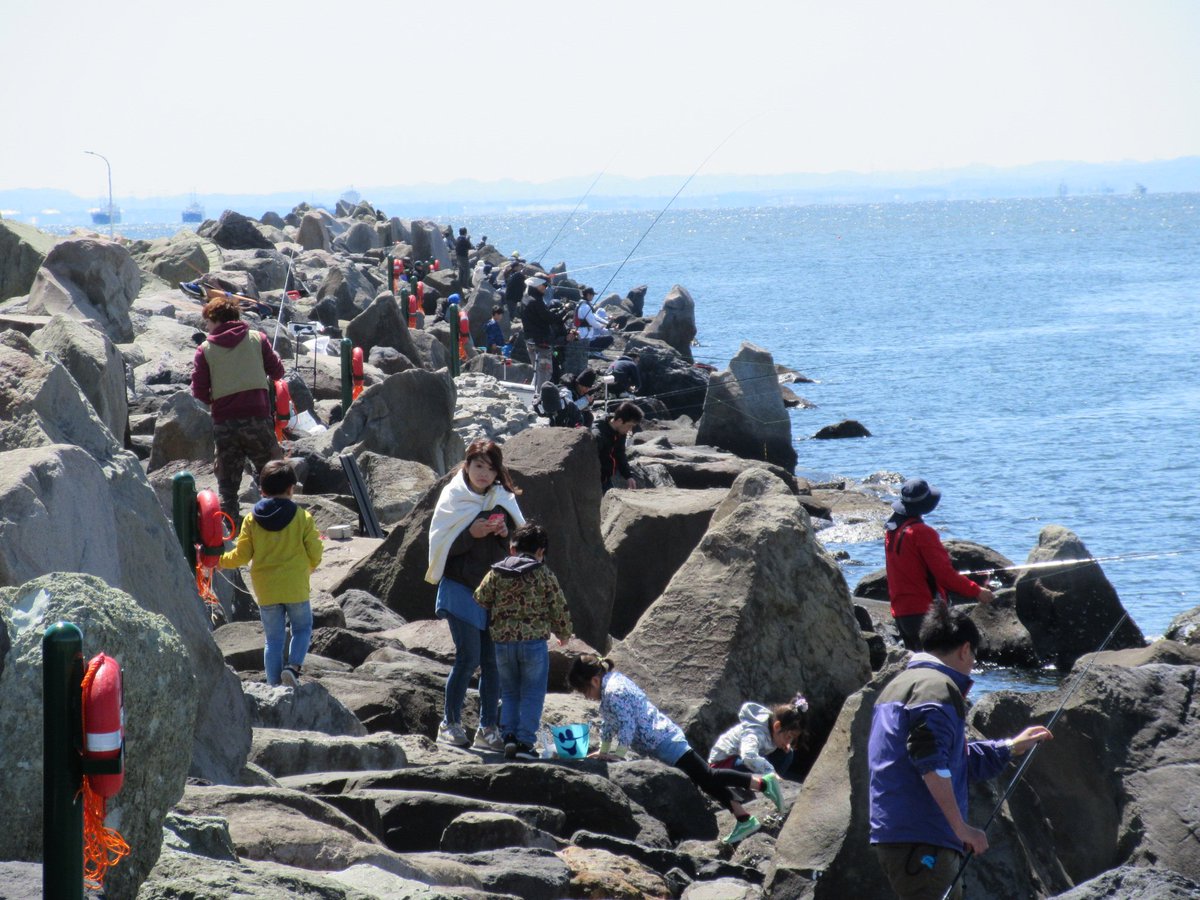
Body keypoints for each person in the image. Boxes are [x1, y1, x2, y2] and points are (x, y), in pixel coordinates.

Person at [868, 604, 1052, 900]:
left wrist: (1009, 747)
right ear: (965, 649)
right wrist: (961, 828)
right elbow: (929, 763)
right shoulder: (937, 689)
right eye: (974, 655)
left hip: (901, 836)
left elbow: (954, 760)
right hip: (923, 840)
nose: (972, 663)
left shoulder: (899, 685)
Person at [568, 655, 785, 844]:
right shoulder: (611, 685)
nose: (586, 696)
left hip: (665, 740)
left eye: (585, 691)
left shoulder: (613, 692)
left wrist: (617, 755)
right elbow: (609, 722)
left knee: (709, 775)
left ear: (595, 680)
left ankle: (763, 783)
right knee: (706, 780)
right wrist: (604, 750)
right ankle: (744, 818)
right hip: (661, 740)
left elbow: (626, 725)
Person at [426, 439, 526, 751]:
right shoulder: (454, 497)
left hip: (491, 592)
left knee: (493, 663)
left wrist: (503, 533)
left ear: (498, 472)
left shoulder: (502, 498)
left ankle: (488, 728)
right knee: (468, 657)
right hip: (458, 588)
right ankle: (450, 723)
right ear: (466, 465)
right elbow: (441, 549)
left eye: (490, 467)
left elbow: (514, 550)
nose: (483, 473)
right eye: (478, 465)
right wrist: (471, 533)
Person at [218, 460, 322, 688]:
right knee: (302, 628)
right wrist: (311, 566)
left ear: (262, 490)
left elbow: (242, 556)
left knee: (273, 640)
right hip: (295, 585)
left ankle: (273, 685)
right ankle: (293, 668)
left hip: (266, 589)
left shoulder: (251, 520)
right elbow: (315, 550)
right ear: (291, 489)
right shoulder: (302, 517)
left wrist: (220, 561)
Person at [475, 523, 573, 760]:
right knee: (532, 693)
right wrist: (563, 633)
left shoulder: (497, 571)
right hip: (533, 643)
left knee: (509, 692)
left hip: (503, 643)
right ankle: (525, 743)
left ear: (513, 548)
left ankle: (508, 736)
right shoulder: (543, 573)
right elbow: (558, 606)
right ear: (540, 551)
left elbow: (480, 597)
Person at [190, 294, 286, 527]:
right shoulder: (258, 338)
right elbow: (278, 373)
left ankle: (228, 536)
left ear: (215, 319)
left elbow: (199, 392)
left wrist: (217, 398)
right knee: (274, 476)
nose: (207, 327)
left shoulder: (205, 350)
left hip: (225, 425)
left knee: (227, 488)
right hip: (258, 420)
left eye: (208, 322)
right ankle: (279, 526)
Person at [884, 478, 994, 651]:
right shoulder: (922, 533)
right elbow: (945, 575)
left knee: (918, 666)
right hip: (925, 614)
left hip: (901, 612)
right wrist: (977, 591)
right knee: (941, 664)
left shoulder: (893, 530)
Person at [708, 694, 809, 779]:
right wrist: (770, 771)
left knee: (787, 754)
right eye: (788, 737)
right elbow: (748, 757)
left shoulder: (773, 732)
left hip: (750, 757)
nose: (788, 742)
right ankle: (769, 781)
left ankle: (773, 784)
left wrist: (783, 744)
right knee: (752, 764)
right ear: (777, 726)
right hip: (722, 765)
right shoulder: (755, 732)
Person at [521, 276, 560, 392]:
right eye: (545, 285)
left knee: (536, 370)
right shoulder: (536, 301)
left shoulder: (526, 298)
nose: (546, 288)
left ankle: (533, 393)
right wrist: (562, 314)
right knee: (545, 372)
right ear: (537, 285)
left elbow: (539, 315)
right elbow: (547, 317)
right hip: (540, 341)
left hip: (529, 339)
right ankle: (539, 398)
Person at [595, 401, 643, 491]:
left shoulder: (620, 431)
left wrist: (628, 476)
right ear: (620, 421)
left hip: (606, 479)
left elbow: (619, 453)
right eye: (630, 426)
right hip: (593, 481)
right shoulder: (598, 435)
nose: (630, 430)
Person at [575, 286, 615, 352]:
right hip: (585, 337)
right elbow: (592, 322)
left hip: (582, 334)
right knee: (609, 339)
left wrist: (607, 322)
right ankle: (592, 352)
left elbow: (595, 316)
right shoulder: (585, 307)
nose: (593, 297)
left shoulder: (580, 304)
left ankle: (592, 352)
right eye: (592, 295)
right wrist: (601, 326)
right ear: (588, 295)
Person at [503, 257, 526, 321]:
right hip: (512, 296)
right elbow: (523, 281)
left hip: (510, 295)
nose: (520, 267)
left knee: (511, 310)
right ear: (515, 267)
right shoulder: (517, 275)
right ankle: (510, 323)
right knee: (511, 311)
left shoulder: (510, 274)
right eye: (519, 266)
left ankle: (511, 320)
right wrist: (522, 273)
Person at [455, 227, 473, 291]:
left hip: (458, 256)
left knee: (461, 270)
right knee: (467, 271)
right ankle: (465, 285)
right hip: (463, 257)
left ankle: (460, 284)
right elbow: (469, 246)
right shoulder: (464, 239)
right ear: (465, 232)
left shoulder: (458, 238)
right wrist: (468, 239)